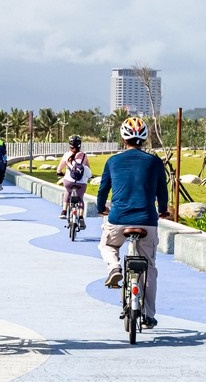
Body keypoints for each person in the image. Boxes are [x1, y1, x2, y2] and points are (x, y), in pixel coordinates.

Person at [96, 117, 169, 329]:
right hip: (147, 221)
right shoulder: (155, 162)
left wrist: (102, 208)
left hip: (118, 220)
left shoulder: (113, 162)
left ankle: (114, 267)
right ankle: (148, 316)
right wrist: (163, 210)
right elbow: (162, 193)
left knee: (108, 245)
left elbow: (102, 191)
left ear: (123, 137)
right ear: (144, 138)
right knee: (150, 268)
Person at [56, 134, 92, 222]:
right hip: (81, 182)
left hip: (69, 181)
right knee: (80, 198)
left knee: (67, 191)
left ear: (70, 145)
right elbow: (88, 169)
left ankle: (64, 211)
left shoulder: (66, 155)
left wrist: (59, 173)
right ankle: (80, 218)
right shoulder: (84, 156)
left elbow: (59, 169)